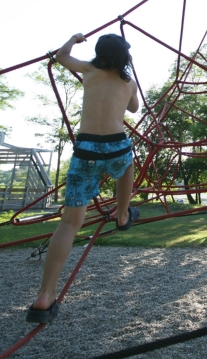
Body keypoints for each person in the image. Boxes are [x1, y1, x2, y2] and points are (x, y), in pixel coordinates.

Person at [26, 32, 140, 324]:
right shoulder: (128, 81)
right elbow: (134, 108)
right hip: (116, 143)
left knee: (70, 223)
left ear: (100, 55)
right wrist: (130, 83)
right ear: (125, 57)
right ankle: (123, 213)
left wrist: (73, 40)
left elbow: (61, 57)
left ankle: (44, 296)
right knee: (127, 166)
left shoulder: (89, 70)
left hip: (86, 146)